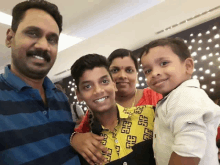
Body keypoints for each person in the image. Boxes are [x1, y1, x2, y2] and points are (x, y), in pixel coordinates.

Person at [0, 0, 80, 164]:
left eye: (52, 39)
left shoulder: (61, 98)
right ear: (10, 37)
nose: (44, 46)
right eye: (33, 33)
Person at [71, 49, 162, 164]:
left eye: (104, 81)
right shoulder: (85, 144)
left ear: (114, 85)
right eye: (88, 86)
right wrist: (73, 139)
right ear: (78, 95)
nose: (98, 90)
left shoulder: (150, 115)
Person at [140, 38, 220, 165]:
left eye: (164, 63)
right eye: (148, 70)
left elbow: (188, 148)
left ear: (188, 66)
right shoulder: (173, 97)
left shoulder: (185, 95)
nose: (154, 73)